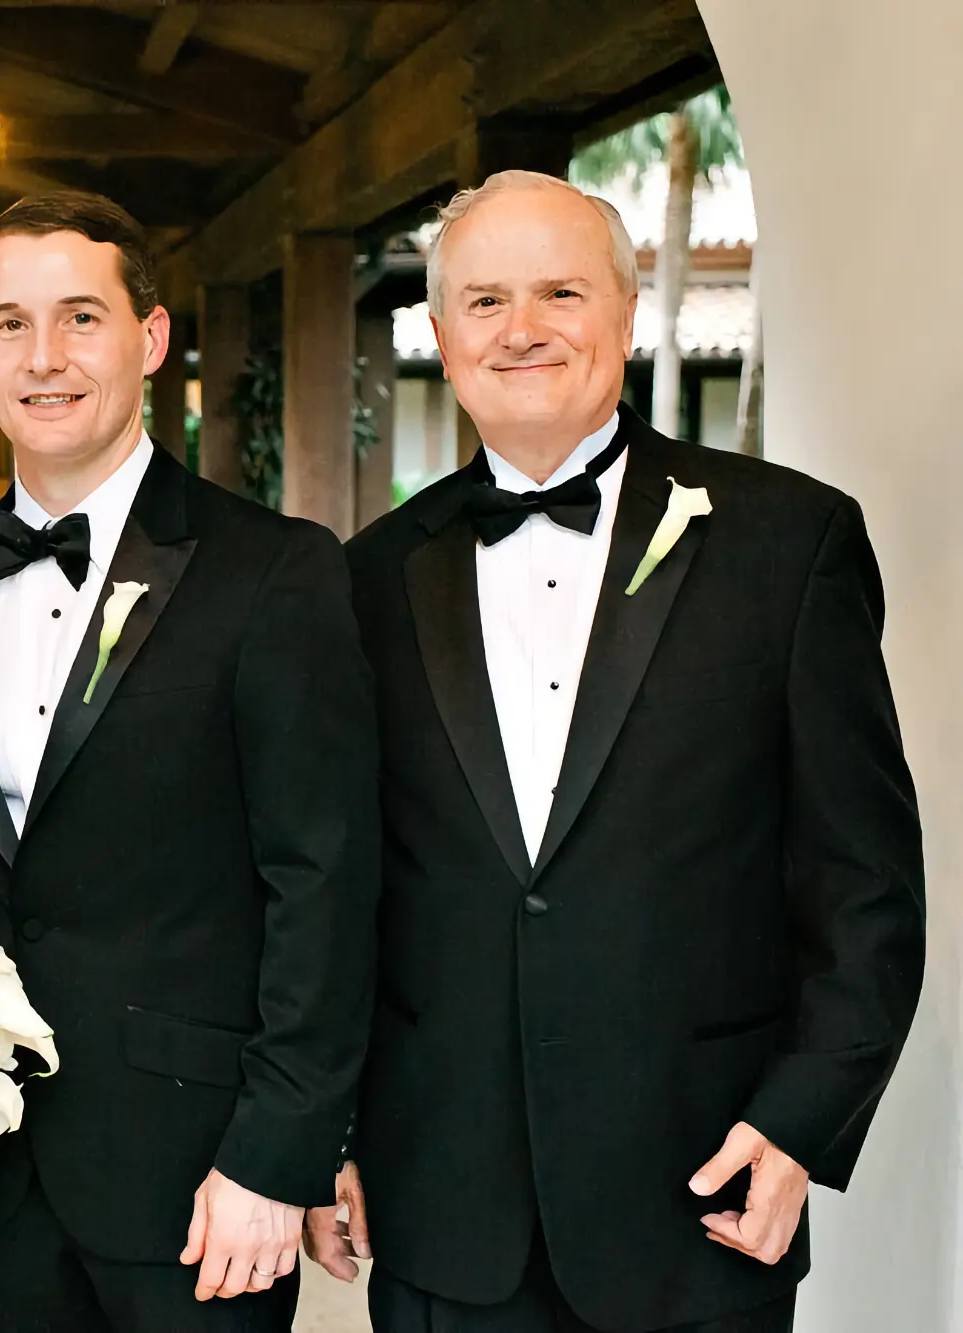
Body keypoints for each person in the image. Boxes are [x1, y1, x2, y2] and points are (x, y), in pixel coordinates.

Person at [311, 170, 926, 1333]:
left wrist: (803, 1119)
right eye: (483, 301)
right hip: (443, 1203)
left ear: (626, 313)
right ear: (440, 336)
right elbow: (341, 888)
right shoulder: (362, 579)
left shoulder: (787, 546)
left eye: (558, 291)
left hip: (696, 1192)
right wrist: (330, 1131)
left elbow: (863, 885)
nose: (521, 328)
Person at [0, 189, 380, 1332]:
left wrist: (279, 1152)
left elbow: (325, 883)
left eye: (79, 318)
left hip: (198, 1175)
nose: (42, 356)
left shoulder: (275, 573)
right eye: (9, 323)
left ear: (148, 339)